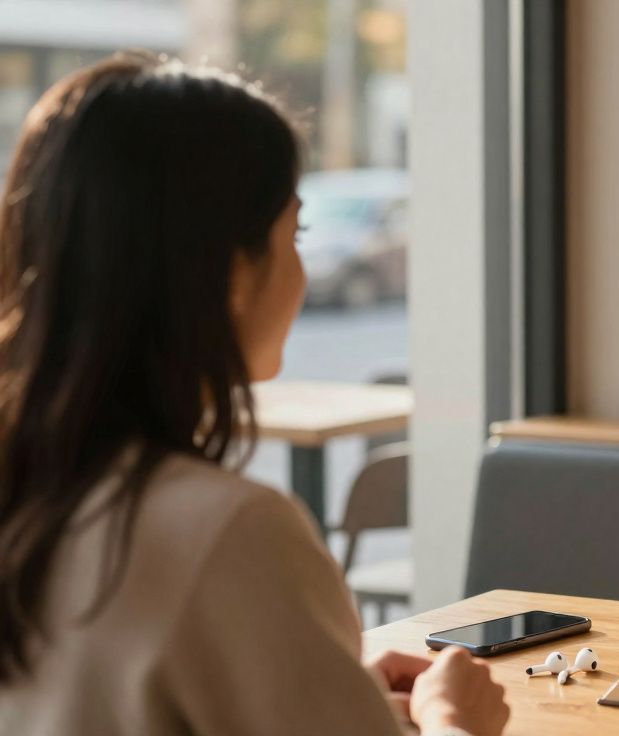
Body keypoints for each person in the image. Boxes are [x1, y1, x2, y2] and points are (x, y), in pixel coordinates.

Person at [0, 54, 509, 736]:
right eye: (294, 232)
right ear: (232, 272)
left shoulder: (36, 495)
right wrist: (454, 718)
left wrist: (330, 694)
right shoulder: (228, 533)